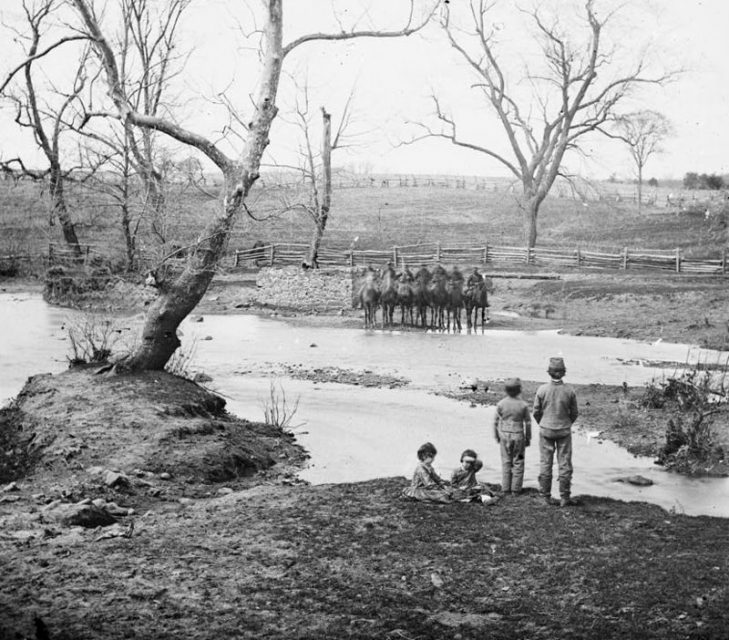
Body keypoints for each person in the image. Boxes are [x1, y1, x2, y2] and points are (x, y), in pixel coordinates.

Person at [533, 357, 579, 507]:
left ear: (549, 372)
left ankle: (544, 496)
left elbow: (536, 412)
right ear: (564, 373)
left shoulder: (542, 389)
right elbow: (574, 413)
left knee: (545, 462)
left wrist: (543, 423)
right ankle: (565, 497)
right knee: (565, 462)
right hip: (564, 429)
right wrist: (566, 423)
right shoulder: (570, 390)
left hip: (546, 429)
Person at [493, 378, 532, 496]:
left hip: (504, 435)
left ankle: (505, 489)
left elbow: (495, 422)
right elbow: (528, 423)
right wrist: (528, 438)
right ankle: (516, 489)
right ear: (519, 390)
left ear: (506, 390)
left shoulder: (501, 404)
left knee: (506, 461)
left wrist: (496, 436)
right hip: (518, 436)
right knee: (518, 461)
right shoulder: (523, 405)